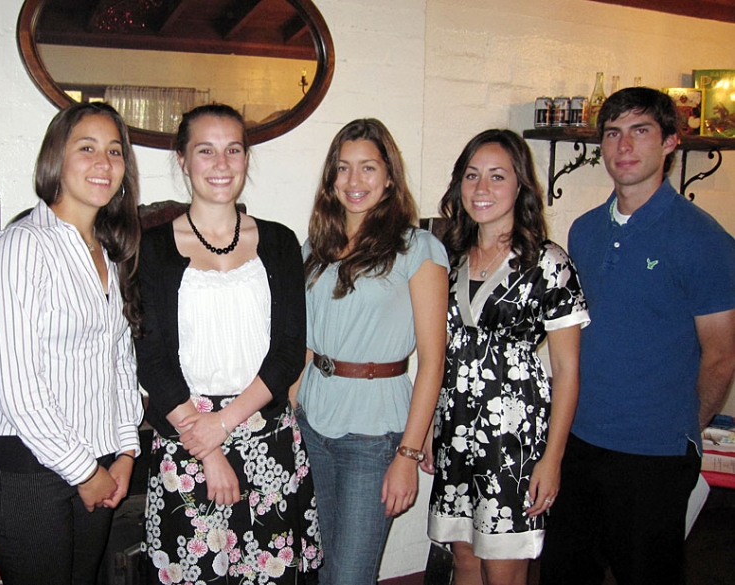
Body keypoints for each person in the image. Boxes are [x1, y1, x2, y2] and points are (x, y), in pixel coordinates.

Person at [539, 87, 735, 585]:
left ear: (671, 142)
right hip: (577, 442)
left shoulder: (703, 240)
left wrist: (686, 426)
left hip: (654, 456)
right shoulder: (583, 231)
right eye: (613, 133)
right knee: (564, 573)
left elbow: (721, 357)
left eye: (640, 131)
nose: (624, 146)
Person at [135, 104, 322, 585]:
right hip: (187, 437)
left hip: (265, 434)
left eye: (233, 150)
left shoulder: (279, 242)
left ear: (246, 158)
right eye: (206, 150)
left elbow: (288, 349)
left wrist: (225, 422)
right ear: (182, 160)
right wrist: (208, 446)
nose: (221, 164)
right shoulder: (150, 247)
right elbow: (149, 358)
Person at [0, 102, 144, 585]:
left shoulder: (105, 253)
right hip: (29, 475)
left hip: (99, 462)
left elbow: (119, 364)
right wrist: (85, 472)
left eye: (114, 151)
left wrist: (126, 452)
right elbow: (22, 387)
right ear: (56, 159)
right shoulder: (23, 243)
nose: (103, 162)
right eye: (86, 147)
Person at [427, 129, 588, 585]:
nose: (482, 189)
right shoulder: (448, 256)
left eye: (497, 177)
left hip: (514, 441)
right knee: (464, 562)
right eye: (472, 176)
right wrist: (426, 430)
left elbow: (567, 370)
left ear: (521, 185)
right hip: (456, 430)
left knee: (504, 568)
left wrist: (552, 459)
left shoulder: (548, 263)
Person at [292, 118, 449, 585]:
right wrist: (293, 406)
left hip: (376, 435)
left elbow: (432, 362)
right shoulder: (314, 249)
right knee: (321, 565)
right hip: (314, 423)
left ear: (388, 177)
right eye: (343, 169)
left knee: (350, 576)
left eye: (367, 168)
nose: (353, 182)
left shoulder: (418, 249)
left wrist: (408, 453)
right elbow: (305, 341)